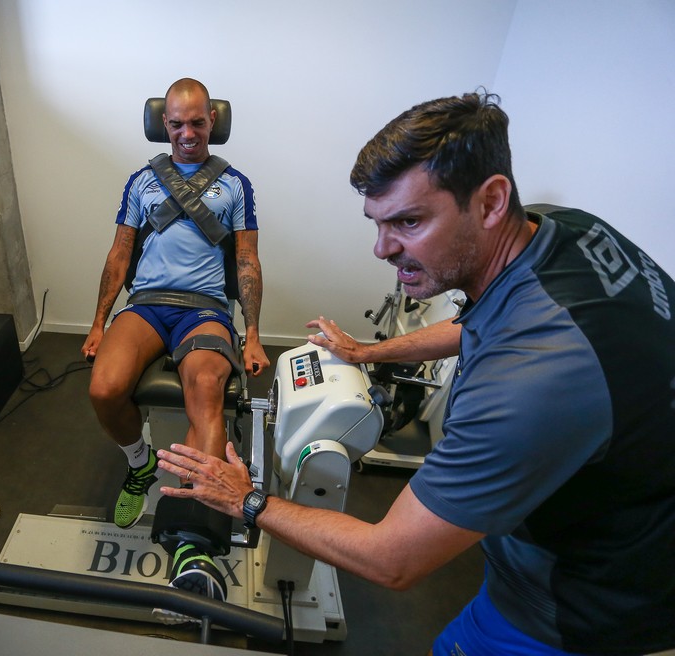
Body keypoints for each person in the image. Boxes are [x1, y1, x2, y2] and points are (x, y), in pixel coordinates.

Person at [157, 91, 675, 654]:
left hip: (581, 612)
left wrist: (247, 500)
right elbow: (485, 321)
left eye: (409, 220)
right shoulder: (566, 232)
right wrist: (367, 353)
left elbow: (392, 559)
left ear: (491, 201)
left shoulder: (532, 384)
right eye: (377, 222)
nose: (382, 248)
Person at [81, 78, 269, 603]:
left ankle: (195, 539)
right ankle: (140, 462)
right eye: (178, 123)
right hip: (146, 306)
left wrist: (252, 333)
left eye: (198, 122)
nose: (188, 133)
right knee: (103, 389)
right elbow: (120, 253)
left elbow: (246, 261)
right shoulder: (141, 182)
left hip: (205, 309)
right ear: (163, 124)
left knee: (206, 392)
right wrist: (98, 321)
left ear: (214, 121)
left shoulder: (237, 186)